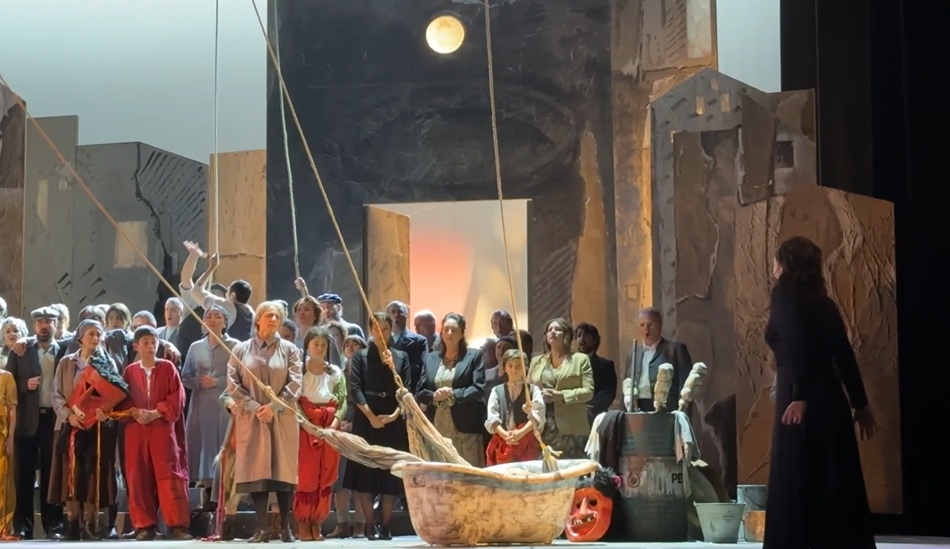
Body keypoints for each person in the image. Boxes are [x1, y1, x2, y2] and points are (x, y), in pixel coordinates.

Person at [764, 236, 877, 549]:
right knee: (832, 479)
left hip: (800, 394)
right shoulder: (822, 300)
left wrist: (800, 395)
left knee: (797, 478)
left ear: (784, 264)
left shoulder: (785, 295)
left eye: (776, 259)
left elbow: (798, 343)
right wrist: (859, 402)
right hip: (829, 396)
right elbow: (843, 353)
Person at [226, 301, 302, 543]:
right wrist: (255, 407)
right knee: (257, 474)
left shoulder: (290, 350)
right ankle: (262, 529)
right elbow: (233, 384)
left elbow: (295, 383)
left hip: (282, 418)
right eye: (269, 315)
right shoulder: (240, 350)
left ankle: (285, 528)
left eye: (277, 316)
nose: (273, 320)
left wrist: (274, 407)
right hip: (253, 419)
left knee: (283, 473)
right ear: (257, 319)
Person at [107, 326, 191, 540]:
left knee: (169, 474)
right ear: (136, 346)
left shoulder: (168, 368)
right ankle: (145, 526)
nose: (151, 346)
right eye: (145, 342)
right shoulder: (130, 371)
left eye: (154, 342)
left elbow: (177, 397)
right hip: (136, 429)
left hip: (161, 427)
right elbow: (123, 399)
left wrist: (157, 412)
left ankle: (177, 526)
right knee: (138, 476)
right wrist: (134, 412)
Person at [294, 327, 347, 541]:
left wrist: (333, 425)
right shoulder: (299, 371)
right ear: (307, 345)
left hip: (329, 428)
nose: (320, 348)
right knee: (306, 476)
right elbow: (294, 402)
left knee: (325, 476)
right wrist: (307, 425)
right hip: (306, 427)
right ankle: (303, 523)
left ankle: (317, 522)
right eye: (316, 343)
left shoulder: (335, 372)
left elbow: (342, 401)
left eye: (324, 344)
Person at [485, 349, 544, 465]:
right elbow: (492, 417)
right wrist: (505, 435)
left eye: (518, 366)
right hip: (503, 443)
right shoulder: (496, 391)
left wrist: (520, 433)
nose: (514, 370)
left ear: (525, 368)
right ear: (504, 368)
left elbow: (538, 416)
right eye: (510, 366)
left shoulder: (533, 390)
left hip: (527, 445)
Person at [0, 366, 17, 540]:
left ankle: (3, 524)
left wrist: (10, 438)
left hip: (1, 436)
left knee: (2, 481)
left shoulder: (6, 377)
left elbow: (12, 409)